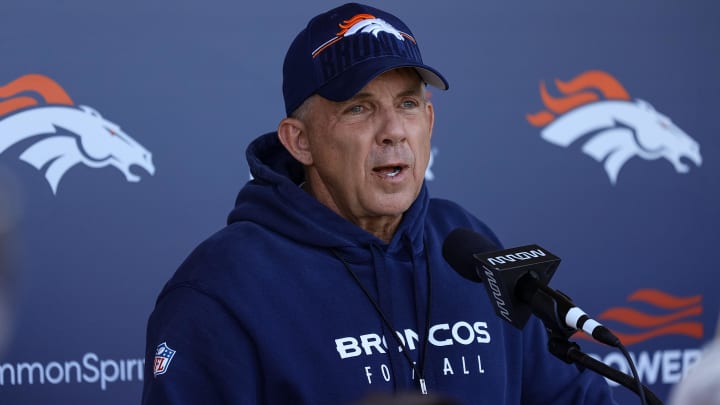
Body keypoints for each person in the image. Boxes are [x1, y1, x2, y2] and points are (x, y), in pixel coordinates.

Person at [142, 3, 617, 404]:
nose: (393, 130)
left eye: (408, 104)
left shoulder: (468, 245)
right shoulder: (221, 290)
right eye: (359, 108)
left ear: (429, 121)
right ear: (300, 142)